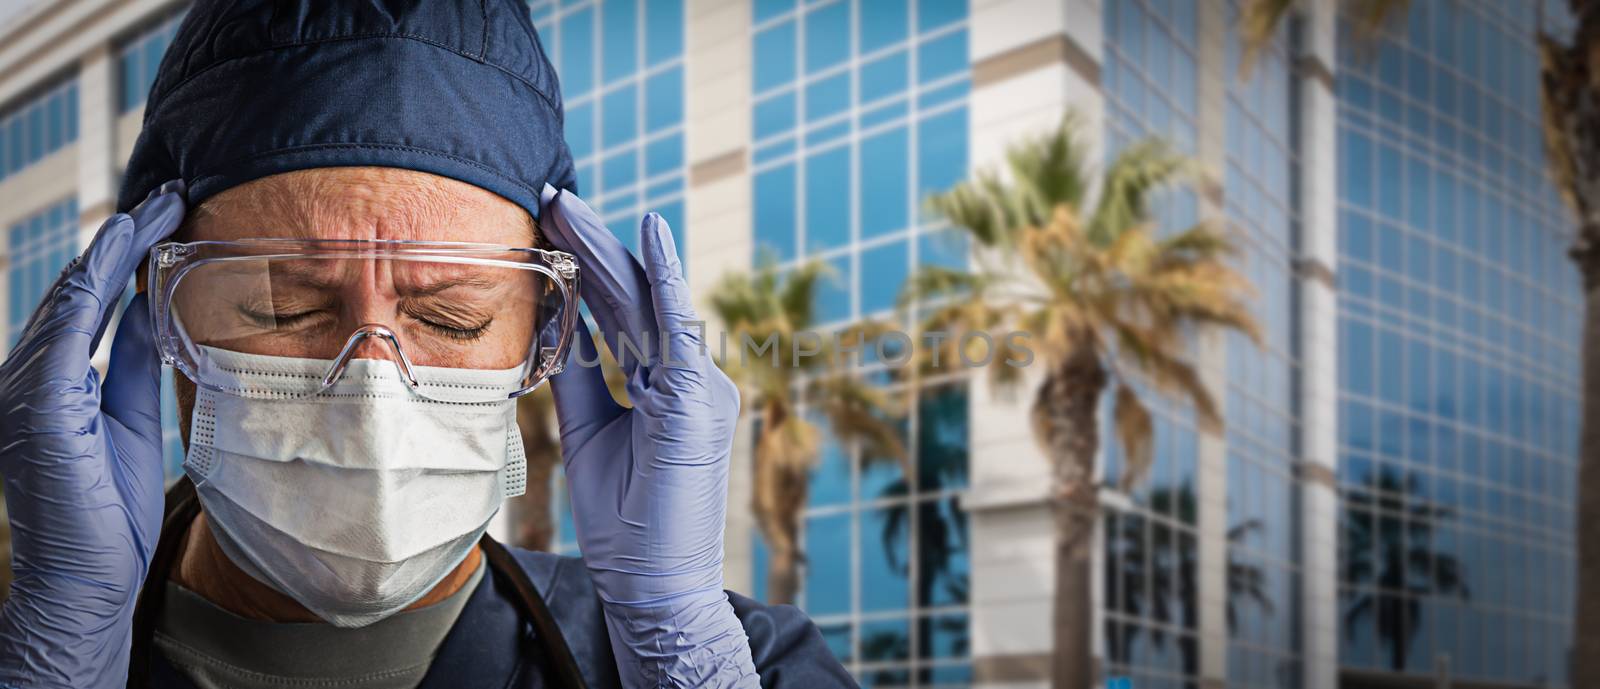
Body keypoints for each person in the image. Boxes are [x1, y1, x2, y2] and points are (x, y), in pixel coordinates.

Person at [0, 2, 855, 688]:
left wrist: (678, 646)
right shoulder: (35, 647)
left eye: (452, 319)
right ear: (157, 314)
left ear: (545, 334)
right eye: (283, 306)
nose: (372, 390)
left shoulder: (749, 662)